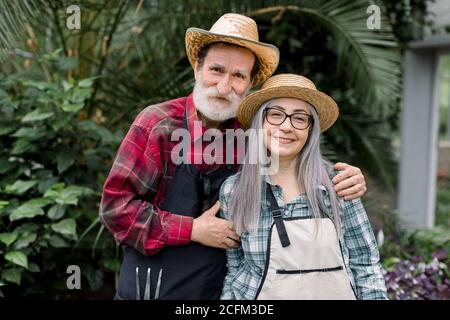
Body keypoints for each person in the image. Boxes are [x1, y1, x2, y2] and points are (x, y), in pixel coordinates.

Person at [99, 13, 368, 300]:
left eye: (238, 75)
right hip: (150, 289)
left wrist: (345, 178)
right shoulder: (159, 124)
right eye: (217, 70)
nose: (225, 86)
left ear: (250, 84)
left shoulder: (255, 134)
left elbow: (299, 161)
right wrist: (192, 229)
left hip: (219, 292)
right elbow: (116, 209)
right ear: (197, 69)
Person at [219, 73, 387, 300]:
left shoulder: (339, 184)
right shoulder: (234, 190)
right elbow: (235, 270)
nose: (287, 126)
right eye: (276, 115)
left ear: (311, 130)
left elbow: (365, 264)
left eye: (299, 118)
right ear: (260, 123)